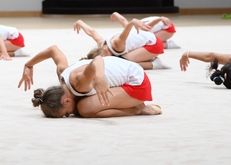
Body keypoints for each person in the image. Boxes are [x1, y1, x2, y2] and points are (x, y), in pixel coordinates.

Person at [17, 45, 161, 118]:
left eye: (66, 114)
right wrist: (28, 65)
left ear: (66, 101)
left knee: (84, 109)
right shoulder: (62, 74)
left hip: (137, 83)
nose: (70, 115)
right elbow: (53, 50)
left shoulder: (79, 83)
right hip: (127, 70)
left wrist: (99, 78)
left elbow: (97, 60)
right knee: (82, 107)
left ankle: (138, 109)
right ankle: (133, 105)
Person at [77, 16, 171, 70]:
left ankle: (155, 64)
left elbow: (126, 31)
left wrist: (133, 22)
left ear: (104, 56)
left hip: (155, 44)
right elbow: (92, 32)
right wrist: (80, 22)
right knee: (118, 60)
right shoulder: (101, 44)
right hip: (147, 41)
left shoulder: (117, 45)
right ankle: (150, 59)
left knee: (123, 62)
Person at [112, 12, 180, 50]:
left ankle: (169, 44)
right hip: (164, 24)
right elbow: (123, 20)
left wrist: (160, 19)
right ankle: (163, 40)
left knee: (150, 43)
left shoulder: (137, 31)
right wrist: (115, 14)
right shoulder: (130, 27)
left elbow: (150, 26)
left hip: (168, 28)